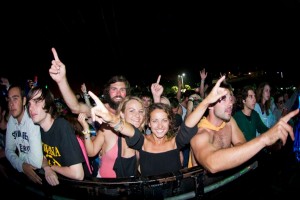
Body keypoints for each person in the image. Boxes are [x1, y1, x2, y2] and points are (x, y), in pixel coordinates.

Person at [87, 75, 228, 177]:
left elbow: (188, 124)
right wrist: (111, 119)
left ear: (169, 122)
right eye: (154, 121)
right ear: (148, 122)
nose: (159, 126)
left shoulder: (175, 141)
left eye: (164, 121)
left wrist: (207, 101)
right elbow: (129, 130)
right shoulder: (142, 141)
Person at [49, 47, 137, 178]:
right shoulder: (102, 109)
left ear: (127, 93)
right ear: (107, 91)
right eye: (114, 89)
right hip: (106, 177)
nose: (118, 93)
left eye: (122, 89)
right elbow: (75, 107)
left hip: (132, 178)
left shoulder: (134, 111)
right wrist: (61, 81)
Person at [189, 80, 299, 174]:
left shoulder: (229, 121)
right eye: (223, 99)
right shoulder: (199, 133)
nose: (230, 103)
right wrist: (264, 139)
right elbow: (212, 163)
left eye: (230, 98)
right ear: (210, 105)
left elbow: (241, 144)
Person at [27, 86, 86, 186]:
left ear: (49, 104)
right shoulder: (37, 129)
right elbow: (41, 156)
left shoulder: (61, 126)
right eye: (29, 104)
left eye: (36, 102)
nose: (31, 108)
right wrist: (46, 167)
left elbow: (78, 174)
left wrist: (51, 167)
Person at [5, 84, 43, 184]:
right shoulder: (11, 121)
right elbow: (8, 150)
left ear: (24, 101)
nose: (11, 104)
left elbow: (37, 162)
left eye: (15, 99)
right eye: (9, 100)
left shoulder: (32, 120)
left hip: (42, 172)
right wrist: (21, 165)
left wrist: (19, 157)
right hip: (25, 171)